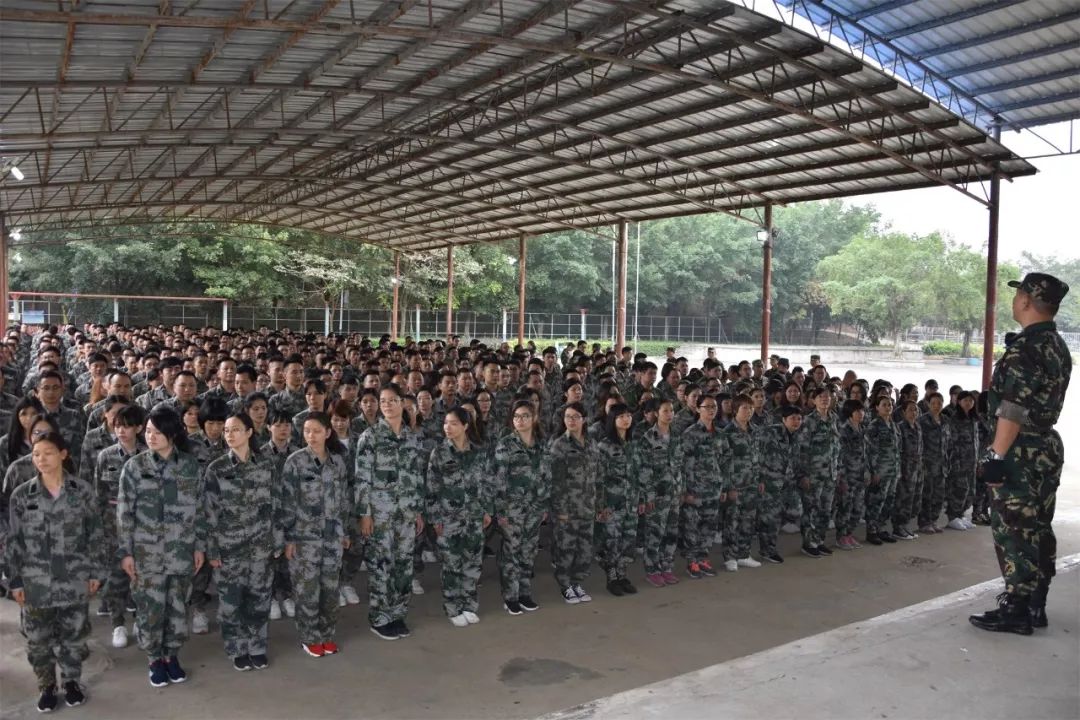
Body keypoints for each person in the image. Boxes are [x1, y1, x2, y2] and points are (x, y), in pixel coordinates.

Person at [971, 273, 1071, 635]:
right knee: (1038, 527)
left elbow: (1012, 408)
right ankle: (1034, 604)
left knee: (1014, 529)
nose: (1014, 301)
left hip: (1020, 451)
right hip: (1045, 446)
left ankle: (1016, 608)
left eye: (1018, 295)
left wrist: (995, 456)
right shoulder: (1056, 345)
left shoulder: (1026, 348)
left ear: (1027, 300)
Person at [5, 432, 104, 711]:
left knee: (74, 635)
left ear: (63, 454)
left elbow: (95, 534)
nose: (41, 459)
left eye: (48, 453)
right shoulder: (22, 495)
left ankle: (71, 682)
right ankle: (46, 685)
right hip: (35, 581)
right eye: (36, 454)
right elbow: (13, 540)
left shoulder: (82, 491)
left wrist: (96, 572)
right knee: (38, 639)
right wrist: (14, 580)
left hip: (74, 576)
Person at [117, 406, 206, 688]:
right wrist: (126, 552)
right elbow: (124, 513)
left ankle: (171, 655)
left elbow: (200, 510)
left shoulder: (190, 466)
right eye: (148, 431)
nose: (150, 436)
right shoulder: (135, 467)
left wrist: (199, 546)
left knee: (178, 606)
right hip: (147, 553)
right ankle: (154, 658)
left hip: (181, 550)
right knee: (150, 608)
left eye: (157, 432)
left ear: (172, 433)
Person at [203, 413, 279, 670]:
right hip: (229, 548)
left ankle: (257, 646)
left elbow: (276, 504)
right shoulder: (217, 469)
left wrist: (277, 540)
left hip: (261, 545)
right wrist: (213, 550)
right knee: (231, 602)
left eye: (235, 429)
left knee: (260, 598)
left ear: (249, 432)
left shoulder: (266, 465)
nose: (229, 434)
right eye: (226, 430)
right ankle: (236, 647)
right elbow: (209, 513)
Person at [354, 384, 427, 640]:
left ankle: (397, 613)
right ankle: (379, 617)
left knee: (403, 565)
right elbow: (362, 479)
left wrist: (418, 510)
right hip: (380, 515)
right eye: (382, 401)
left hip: (406, 513)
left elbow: (416, 477)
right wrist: (365, 514)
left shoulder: (411, 437)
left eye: (392, 400)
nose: (386, 405)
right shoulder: (370, 436)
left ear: (402, 403)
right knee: (381, 565)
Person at [280, 413, 351, 657]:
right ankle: (310, 637)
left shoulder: (338, 462)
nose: (311, 436)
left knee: (330, 589)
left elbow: (343, 499)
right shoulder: (295, 462)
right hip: (304, 538)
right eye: (307, 431)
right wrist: (289, 538)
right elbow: (287, 502)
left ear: (328, 433)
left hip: (332, 536)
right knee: (307, 589)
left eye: (317, 431)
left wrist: (345, 531)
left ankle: (327, 633)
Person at [426, 407, 492, 627]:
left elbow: (486, 483)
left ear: (465, 426)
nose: (448, 427)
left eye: (454, 423)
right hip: (449, 518)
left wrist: (486, 510)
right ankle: (453, 606)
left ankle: (469, 604)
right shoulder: (439, 453)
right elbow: (432, 488)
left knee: (472, 563)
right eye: (446, 423)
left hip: (473, 516)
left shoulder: (478, 452)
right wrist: (435, 518)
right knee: (452, 565)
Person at [94, 404, 147, 648]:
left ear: (138, 428)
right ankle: (118, 623)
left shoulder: (148, 455)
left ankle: (140, 619)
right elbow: (99, 494)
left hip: (143, 525)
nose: (121, 431)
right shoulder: (105, 456)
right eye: (117, 427)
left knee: (140, 574)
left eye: (126, 426)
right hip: (113, 525)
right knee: (115, 576)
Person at [492, 400, 549, 614]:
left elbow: (547, 477)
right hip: (512, 509)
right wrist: (501, 511)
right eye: (516, 416)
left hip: (535, 508)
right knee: (511, 553)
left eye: (525, 416)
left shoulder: (541, 445)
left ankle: (525, 593)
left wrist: (544, 505)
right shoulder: (505, 444)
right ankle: (510, 597)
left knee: (528, 552)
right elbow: (498, 480)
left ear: (534, 418)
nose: (520, 420)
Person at [549, 401, 601, 604]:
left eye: (575, 417)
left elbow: (597, 475)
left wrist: (599, 503)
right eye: (567, 417)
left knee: (585, 549)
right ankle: (565, 585)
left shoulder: (592, 443)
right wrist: (560, 510)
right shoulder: (559, 445)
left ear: (584, 419)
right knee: (566, 548)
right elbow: (556, 482)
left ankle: (577, 582)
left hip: (587, 506)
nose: (571, 420)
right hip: (567, 508)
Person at [595, 403, 641, 594]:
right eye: (621, 416)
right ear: (612, 420)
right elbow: (598, 479)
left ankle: (622, 574)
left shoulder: (633, 444)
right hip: (612, 503)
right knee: (611, 542)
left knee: (627, 541)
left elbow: (639, 474)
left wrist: (641, 499)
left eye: (628, 415)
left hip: (631, 502)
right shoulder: (604, 446)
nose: (626, 419)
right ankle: (612, 578)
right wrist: (601, 506)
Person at [638, 399, 682, 587]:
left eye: (671, 410)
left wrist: (681, 489)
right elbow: (644, 470)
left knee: (671, 533)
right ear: (656, 413)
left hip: (674, 493)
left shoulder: (677, 435)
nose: (670, 414)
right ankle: (652, 570)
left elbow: (680, 465)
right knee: (654, 534)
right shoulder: (648, 438)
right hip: (657, 495)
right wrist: (648, 496)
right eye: (665, 411)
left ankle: (667, 567)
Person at [679, 395, 723, 578]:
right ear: (698, 409)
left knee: (709, 526)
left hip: (713, 488)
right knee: (692, 527)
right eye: (707, 407)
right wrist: (686, 491)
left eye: (714, 407)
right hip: (695, 490)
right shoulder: (690, 434)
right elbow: (683, 464)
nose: (712, 410)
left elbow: (723, 461)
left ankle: (703, 558)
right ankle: (692, 562)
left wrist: (723, 486)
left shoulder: (719, 433)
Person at [720, 395, 762, 570]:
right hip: (735, 485)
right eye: (745, 408)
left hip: (751, 483)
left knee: (748, 521)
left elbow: (758, 456)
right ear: (735, 410)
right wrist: (729, 487)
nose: (749, 411)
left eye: (751, 408)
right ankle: (730, 557)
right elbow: (723, 462)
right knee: (732, 522)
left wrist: (760, 479)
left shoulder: (755, 430)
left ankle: (744, 554)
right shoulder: (727, 432)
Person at [863, 395, 900, 546]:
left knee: (888, 501)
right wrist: (874, 471)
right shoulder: (874, 426)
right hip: (880, 471)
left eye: (890, 405)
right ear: (877, 407)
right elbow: (869, 451)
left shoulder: (893, 425)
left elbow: (897, 449)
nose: (888, 407)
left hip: (893, 470)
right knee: (876, 501)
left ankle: (881, 528)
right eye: (884, 405)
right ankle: (871, 531)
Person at [833, 400, 868, 550]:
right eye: (857, 411)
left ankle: (849, 534)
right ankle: (841, 536)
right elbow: (839, 455)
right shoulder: (843, 430)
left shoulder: (862, 429)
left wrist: (867, 471)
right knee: (845, 507)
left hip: (860, 474)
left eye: (862, 411)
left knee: (857, 507)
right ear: (849, 413)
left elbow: (866, 453)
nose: (861, 414)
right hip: (848, 476)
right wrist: (841, 477)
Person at [917, 392, 950, 535]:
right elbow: (918, 442)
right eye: (933, 403)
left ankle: (933, 521)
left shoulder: (945, 420)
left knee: (939, 495)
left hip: (942, 464)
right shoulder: (922, 421)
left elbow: (948, 442)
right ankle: (924, 523)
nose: (936, 406)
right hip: (927, 464)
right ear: (928, 404)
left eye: (939, 403)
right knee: (927, 495)